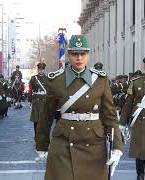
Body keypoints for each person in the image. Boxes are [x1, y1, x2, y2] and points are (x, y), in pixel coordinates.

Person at [35, 35, 123, 180]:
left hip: (93, 145)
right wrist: (42, 145)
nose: (79, 58)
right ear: (69, 55)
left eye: (83, 54)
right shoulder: (56, 80)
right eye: (75, 54)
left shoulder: (100, 80)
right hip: (63, 142)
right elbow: (45, 117)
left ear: (88, 55)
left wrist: (117, 148)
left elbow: (110, 116)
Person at [28, 62, 49, 136]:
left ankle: (43, 136)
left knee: (44, 120)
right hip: (36, 102)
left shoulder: (47, 79)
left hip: (44, 102)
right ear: (38, 70)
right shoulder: (34, 78)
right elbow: (30, 90)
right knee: (36, 120)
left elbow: (49, 91)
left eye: (42, 69)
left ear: (44, 70)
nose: (41, 71)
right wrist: (29, 100)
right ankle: (36, 135)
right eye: (40, 69)